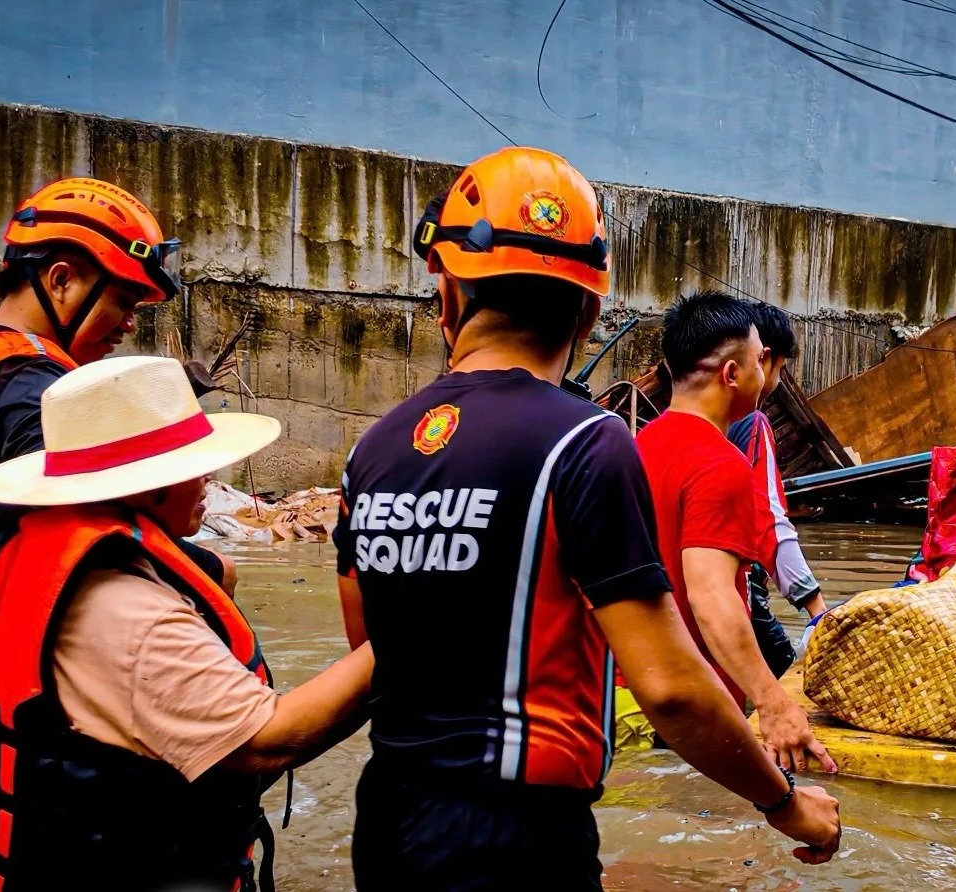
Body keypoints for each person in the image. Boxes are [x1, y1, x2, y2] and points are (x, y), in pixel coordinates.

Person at [334, 146, 840, 890]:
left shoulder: (372, 450)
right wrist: (783, 801)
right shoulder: (584, 441)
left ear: (446, 294)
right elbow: (666, 685)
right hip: (516, 836)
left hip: (386, 818)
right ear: (590, 306)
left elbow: (374, 652)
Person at [0, 354, 375, 891]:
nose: (208, 475)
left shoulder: (32, 549)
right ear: (142, 482)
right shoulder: (127, 609)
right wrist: (413, 630)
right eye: (191, 463)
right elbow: (268, 741)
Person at [0, 177, 236, 807]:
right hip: (22, 674)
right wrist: (207, 569)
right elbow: (75, 541)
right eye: (124, 302)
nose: (127, 324)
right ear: (61, 279)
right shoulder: (32, 387)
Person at [635, 290, 837, 774]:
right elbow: (711, 594)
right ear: (732, 374)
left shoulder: (636, 445)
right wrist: (774, 703)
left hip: (631, 695)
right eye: (757, 360)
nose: (764, 372)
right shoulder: (719, 461)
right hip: (693, 702)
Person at [727, 299, 829, 677]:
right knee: (787, 680)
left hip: (697, 598)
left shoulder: (677, 429)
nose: (777, 381)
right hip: (739, 593)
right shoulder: (752, 425)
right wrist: (815, 605)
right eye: (780, 369)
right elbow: (768, 519)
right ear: (762, 358)